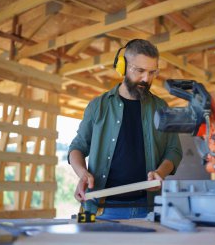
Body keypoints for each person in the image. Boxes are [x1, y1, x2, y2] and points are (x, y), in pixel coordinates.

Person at [67, 39, 182, 219]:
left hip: (149, 210)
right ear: (122, 67)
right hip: (101, 210)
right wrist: (82, 174)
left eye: (152, 72)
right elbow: (77, 148)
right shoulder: (98, 106)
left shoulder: (162, 108)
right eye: (140, 71)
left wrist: (160, 172)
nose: (146, 79)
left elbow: (174, 150)